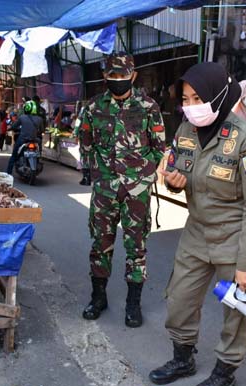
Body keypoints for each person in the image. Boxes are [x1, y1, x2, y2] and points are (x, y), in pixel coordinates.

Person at [148, 63, 246, 386]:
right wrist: (173, 183)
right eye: (186, 98)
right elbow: (182, 174)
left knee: (238, 310)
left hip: (236, 236)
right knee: (179, 299)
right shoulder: (185, 131)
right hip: (197, 231)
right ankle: (183, 359)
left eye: (197, 97)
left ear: (218, 95)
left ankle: (225, 373)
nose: (190, 105)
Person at [74, 52, 166, 328]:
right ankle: (98, 298)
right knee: (100, 244)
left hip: (136, 191)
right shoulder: (93, 108)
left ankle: (132, 304)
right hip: (104, 190)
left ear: (133, 76)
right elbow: (85, 142)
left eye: (123, 76)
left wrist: (141, 180)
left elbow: (158, 147)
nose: (118, 81)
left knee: (136, 247)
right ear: (105, 76)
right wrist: (98, 174)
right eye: (112, 76)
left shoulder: (148, 107)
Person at [6, 100, 44, 175]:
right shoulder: (39, 119)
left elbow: (14, 126)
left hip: (22, 140)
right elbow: (42, 130)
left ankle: (8, 173)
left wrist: (10, 128)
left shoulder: (22, 117)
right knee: (39, 142)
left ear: (26, 108)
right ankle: (39, 157)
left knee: (14, 156)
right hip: (34, 139)